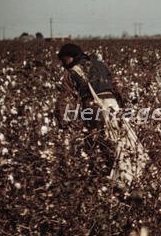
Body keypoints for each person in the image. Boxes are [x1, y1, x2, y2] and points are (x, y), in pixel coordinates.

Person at [57, 43, 148, 188]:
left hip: (92, 108)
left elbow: (64, 98)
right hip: (113, 106)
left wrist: (62, 120)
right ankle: (131, 179)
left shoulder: (72, 72)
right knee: (123, 143)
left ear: (70, 57)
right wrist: (123, 107)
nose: (62, 64)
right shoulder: (100, 64)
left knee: (95, 145)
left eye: (63, 60)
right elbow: (116, 88)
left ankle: (104, 182)